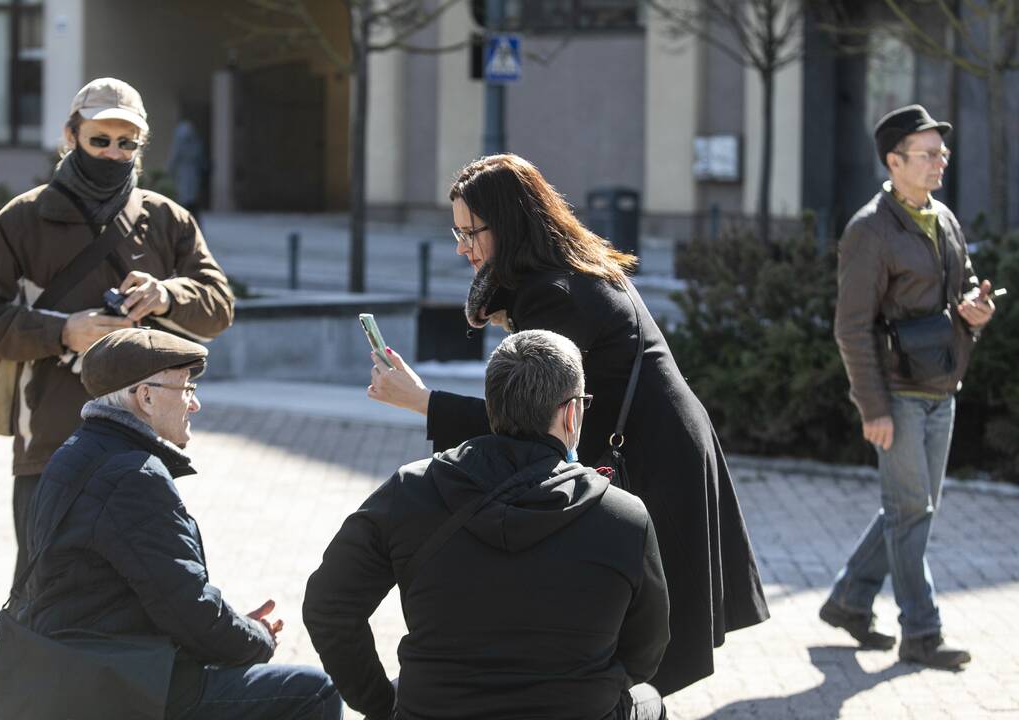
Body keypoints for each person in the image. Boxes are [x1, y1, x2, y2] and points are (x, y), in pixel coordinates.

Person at [365, 154, 768, 696]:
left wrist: (423, 402)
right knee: (627, 632)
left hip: (651, 458)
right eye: (455, 231)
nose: (461, 247)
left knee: (643, 643)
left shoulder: (554, 293)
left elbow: (526, 416)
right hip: (657, 444)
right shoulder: (560, 271)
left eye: (470, 232)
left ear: (507, 225)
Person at [305, 329, 670, 720]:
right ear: (572, 412)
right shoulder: (624, 516)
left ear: (492, 406)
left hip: (432, 711)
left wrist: (380, 704)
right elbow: (647, 648)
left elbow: (329, 606)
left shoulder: (409, 492)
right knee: (650, 700)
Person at [0, 77, 234, 581]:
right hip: (51, 441)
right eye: (99, 140)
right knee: (43, 591)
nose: (112, 153)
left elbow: (219, 307)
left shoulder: (166, 218)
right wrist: (63, 331)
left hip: (148, 443)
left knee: (147, 586)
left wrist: (168, 294)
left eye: (127, 144)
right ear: (70, 137)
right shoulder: (23, 218)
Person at [20, 327, 342, 719]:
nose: (195, 404)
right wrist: (255, 639)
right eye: (186, 389)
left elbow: (167, 593)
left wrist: (234, 626)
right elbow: (188, 609)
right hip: (127, 683)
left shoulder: (77, 452)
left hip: (80, 665)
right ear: (147, 396)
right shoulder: (134, 475)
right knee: (313, 692)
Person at [821, 104, 994, 669]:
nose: (941, 160)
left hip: (942, 384)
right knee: (910, 512)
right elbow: (850, 326)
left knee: (910, 510)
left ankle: (849, 602)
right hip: (896, 392)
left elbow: (962, 283)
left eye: (942, 152)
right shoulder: (869, 230)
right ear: (895, 161)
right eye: (929, 153)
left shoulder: (942, 218)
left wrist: (973, 308)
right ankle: (922, 632)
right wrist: (872, 405)